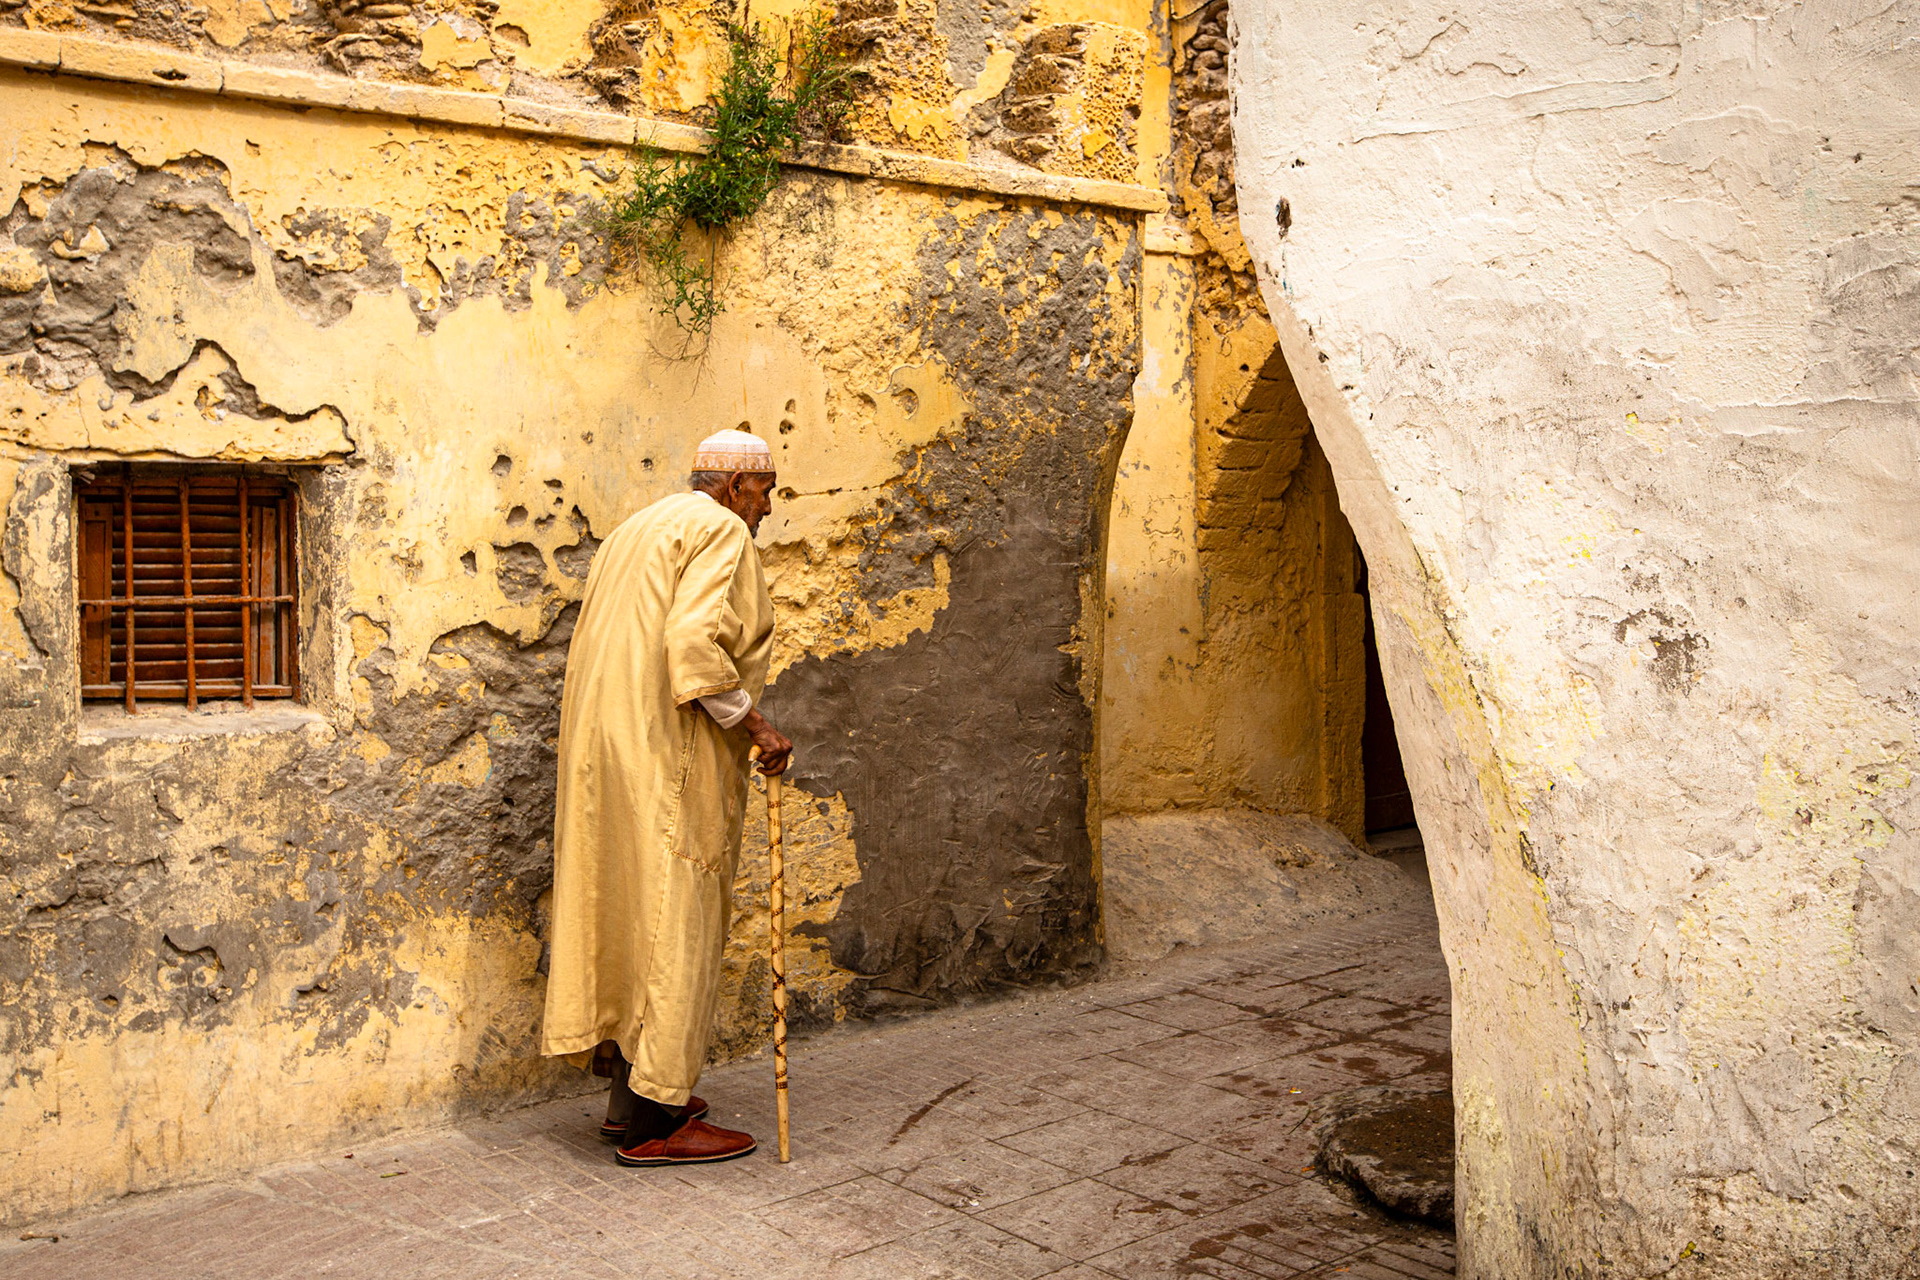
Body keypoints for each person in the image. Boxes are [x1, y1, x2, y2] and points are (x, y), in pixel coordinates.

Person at [541, 428, 794, 1167]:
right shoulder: (719, 529)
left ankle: (633, 1101)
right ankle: (658, 1124)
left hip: (610, 752)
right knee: (675, 919)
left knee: (634, 914)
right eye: (767, 489)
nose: (769, 507)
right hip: (666, 751)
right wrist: (759, 726)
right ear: (735, 486)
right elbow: (695, 649)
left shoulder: (640, 526)